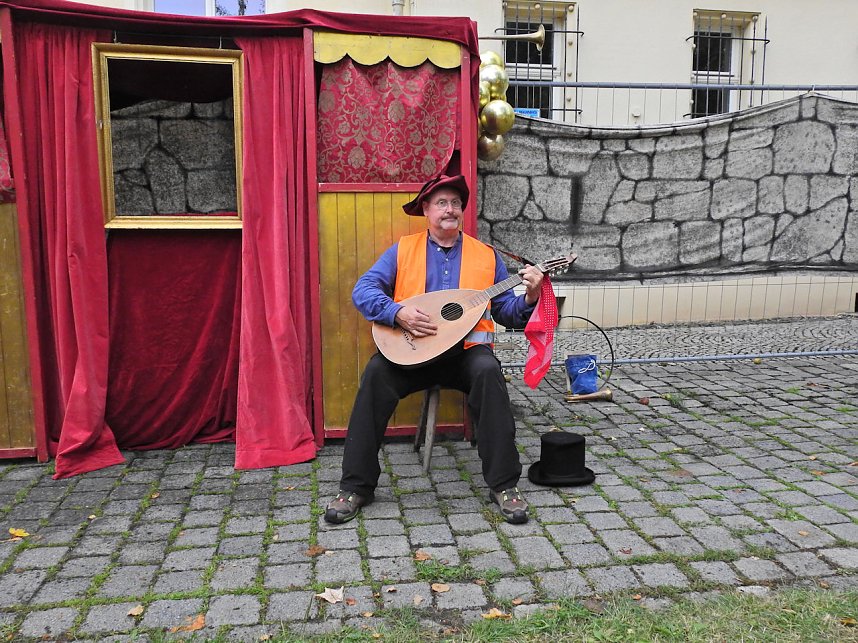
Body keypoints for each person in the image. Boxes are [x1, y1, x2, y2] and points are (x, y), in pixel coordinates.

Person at [324, 174, 544, 525]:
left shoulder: (486, 256)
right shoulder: (403, 250)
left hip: (466, 354)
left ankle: (504, 485)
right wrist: (397, 312)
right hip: (412, 354)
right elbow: (364, 289)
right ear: (425, 209)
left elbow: (505, 312)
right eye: (441, 202)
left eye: (456, 203)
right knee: (376, 375)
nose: (450, 209)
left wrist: (530, 297)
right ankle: (355, 486)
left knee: (489, 372)